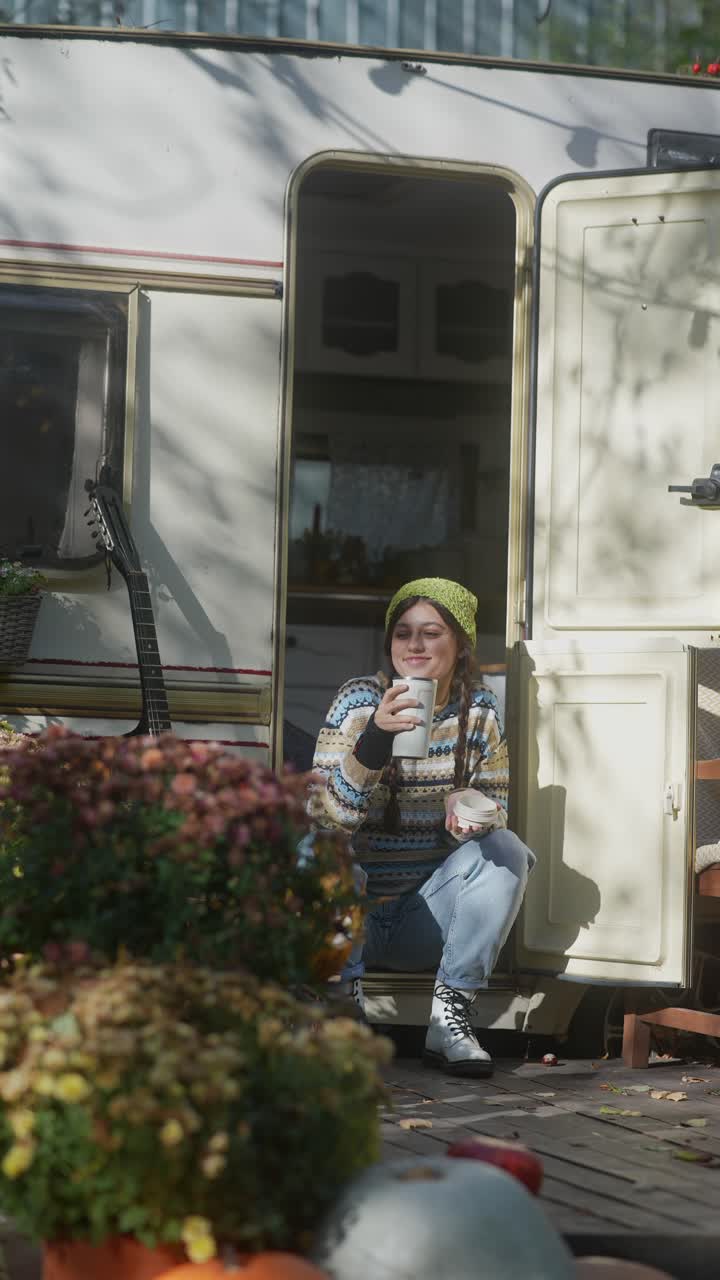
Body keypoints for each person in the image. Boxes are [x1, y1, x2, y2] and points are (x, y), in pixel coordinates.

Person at [308, 576, 535, 1078]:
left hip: (427, 919)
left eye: (431, 633)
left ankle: (449, 1019)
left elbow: (496, 814)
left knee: (508, 849)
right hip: (354, 916)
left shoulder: (481, 713)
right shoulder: (358, 700)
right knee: (321, 848)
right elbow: (323, 821)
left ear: (460, 644)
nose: (414, 645)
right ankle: (344, 1008)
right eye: (403, 632)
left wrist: (466, 813)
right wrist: (372, 742)